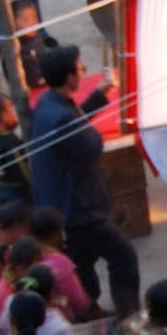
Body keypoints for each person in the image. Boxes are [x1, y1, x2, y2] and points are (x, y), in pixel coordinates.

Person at [28, 47, 140, 317]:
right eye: (79, 69)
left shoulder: (49, 103)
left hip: (65, 205)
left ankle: (86, 308)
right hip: (80, 208)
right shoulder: (61, 117)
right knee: (122, 256)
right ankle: (128, 313)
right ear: (69, 77)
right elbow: (91, 143)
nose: (82, 71)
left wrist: (100, 94)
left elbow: (75, 121)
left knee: (83, 260)